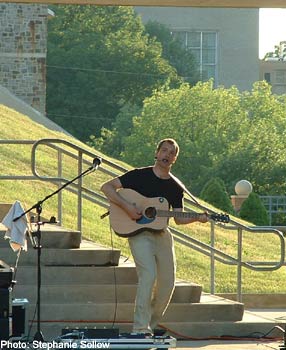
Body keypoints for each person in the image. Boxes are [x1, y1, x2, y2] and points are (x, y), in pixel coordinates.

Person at [101, 138, 208, 335]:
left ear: (175, 158)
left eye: (171, 153)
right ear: (157, 153)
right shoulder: (138, 175)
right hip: (139, 233)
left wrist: (198, 218)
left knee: (168, 283)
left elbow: (178, 218)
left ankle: (151, 324)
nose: (167, 155)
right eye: (164, 150)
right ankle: (140, 328)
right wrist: (127, 206)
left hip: (162, 234)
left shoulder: (176, 186)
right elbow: (106, 187)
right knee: (148, 275)